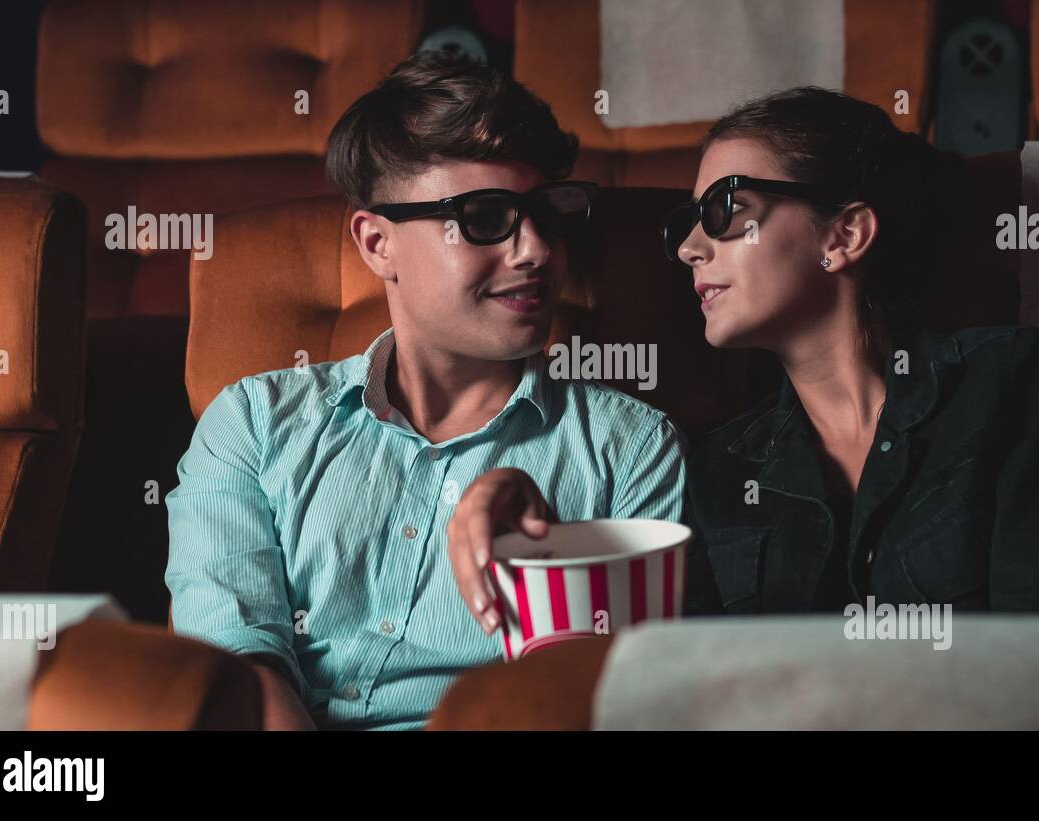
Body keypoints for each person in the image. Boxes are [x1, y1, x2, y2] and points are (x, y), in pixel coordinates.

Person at [448, 87, 1039, 632]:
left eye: (726, 209)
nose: (690, 250)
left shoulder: (1006, 379)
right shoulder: (718, 469)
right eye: (688, 223)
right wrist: (537, 529)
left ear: (843, 235)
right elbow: (672, 676)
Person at [165, 51, 685, 730]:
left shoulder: (632, 448)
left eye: (546, 215)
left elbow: (614, 702)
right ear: (377, 242)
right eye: (484, 216)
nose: (534, 250)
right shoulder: (253, 423)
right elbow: (239, 672)